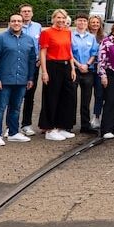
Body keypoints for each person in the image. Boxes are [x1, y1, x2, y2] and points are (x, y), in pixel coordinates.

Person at [0, 14, 37, 146]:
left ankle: (13, 133)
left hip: (21, 80)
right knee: (0, 107)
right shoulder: (0, 39)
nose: (16, 23)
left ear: (23, 23)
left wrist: (30, 78)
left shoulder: (29, 40)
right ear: (9, 23)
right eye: (14, 21)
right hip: (4, 80)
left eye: (19, 21)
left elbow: (32, 60)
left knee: (16, 108)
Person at [38, 9, 77, 141]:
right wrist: (44, 71)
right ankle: (50, 128)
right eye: (58, 18)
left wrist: (72, 68)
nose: (61, 20)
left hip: (66, 65)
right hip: (52, 66)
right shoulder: (46, 33)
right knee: (51, 97)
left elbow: (69, 50)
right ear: (53, 18)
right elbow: (43, 52)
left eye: (63, 18)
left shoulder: (67, 32)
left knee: (67, 97)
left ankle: (62, 126)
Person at [70, 14, 99, 134]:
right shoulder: (70, 36)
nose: (82, 23)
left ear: (87, 23)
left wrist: (87, 64)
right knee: (72, 99)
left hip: (88, 71)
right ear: (75, 22)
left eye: (84, 21)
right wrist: (78, 65)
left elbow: (94, 53)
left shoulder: (91, 37)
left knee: (86, 99)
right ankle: (69, 125)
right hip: (74, 70)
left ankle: (85, 125)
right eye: (79, 20)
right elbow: (69, 52)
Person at [19, 4, 42, 136]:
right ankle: (11, 126)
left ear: (32, 14)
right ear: (20, 13)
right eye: (24, 11)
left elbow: (40, 44)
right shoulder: (15, 24)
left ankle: (26, 124)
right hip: (18, 64)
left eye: (28, 11)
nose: (26, 13)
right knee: (15, 95)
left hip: (34, 65)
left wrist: (39, 59)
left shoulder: (37, 27)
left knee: (29, 95)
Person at [87, 15, 106, 129]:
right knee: (87, 95)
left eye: (97, 22)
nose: (95, 24)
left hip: (99, 69)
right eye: (92, 22)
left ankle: (96, 116)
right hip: (88, 69)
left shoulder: (104, 37)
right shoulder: (85, 36)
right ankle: (85, 118)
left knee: (99, 94)